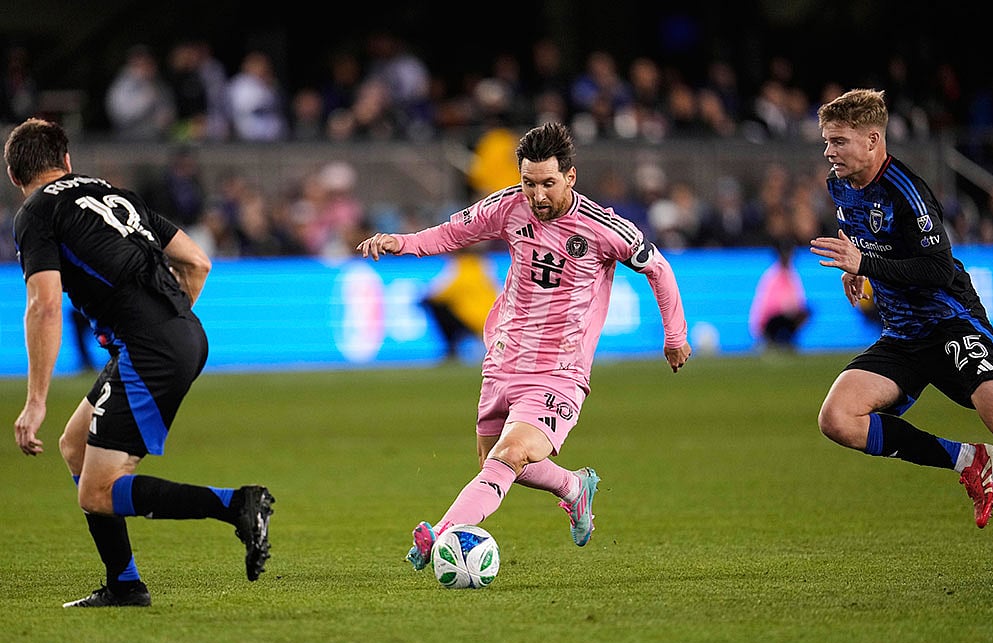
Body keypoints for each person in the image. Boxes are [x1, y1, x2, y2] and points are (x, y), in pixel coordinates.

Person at [357, 122, 691, 570]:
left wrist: (675, 336)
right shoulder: (509, 207)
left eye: (548, 184)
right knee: (495, 460)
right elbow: (452, 233)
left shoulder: (603, 227)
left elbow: (659, 270)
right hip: (504, 358)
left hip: (560, 370)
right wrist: (402, 242)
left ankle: (441, 535)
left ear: (570, 178)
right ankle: (573, 487)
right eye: (529, 183)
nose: (537, 196)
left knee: (509, 454)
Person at [5, 118, 274, 607]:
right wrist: (167, 328)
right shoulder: (116, 197)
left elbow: (43, 305)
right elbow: (197, 262)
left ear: (13, 175)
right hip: (180, 333)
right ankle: (124, 585)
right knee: (75, 447)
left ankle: (237, 503)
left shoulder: (35, 213)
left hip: (150, 345)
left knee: (97, 492)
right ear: (66, 161)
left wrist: (35, 401)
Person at [809, 88, 993, 529]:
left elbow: (936, 268)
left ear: (873, 140)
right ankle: (969, 460)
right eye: (826, 141)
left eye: (839, 141)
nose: (828, 151)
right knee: (837, 419)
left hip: (948, 322)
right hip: (902, 334)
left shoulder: (908, 193)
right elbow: (863, 234)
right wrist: (857, 268)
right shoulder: (840, 184)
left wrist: (866, 263)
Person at [748, 239, 810, 351]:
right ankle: (770, 339)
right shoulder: (773, 275)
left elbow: (799, 299)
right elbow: (767, 305)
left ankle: (787, 339)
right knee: (784, 316)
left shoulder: (791, 274)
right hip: (770, 319)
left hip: (786, 315)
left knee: (803, 313)